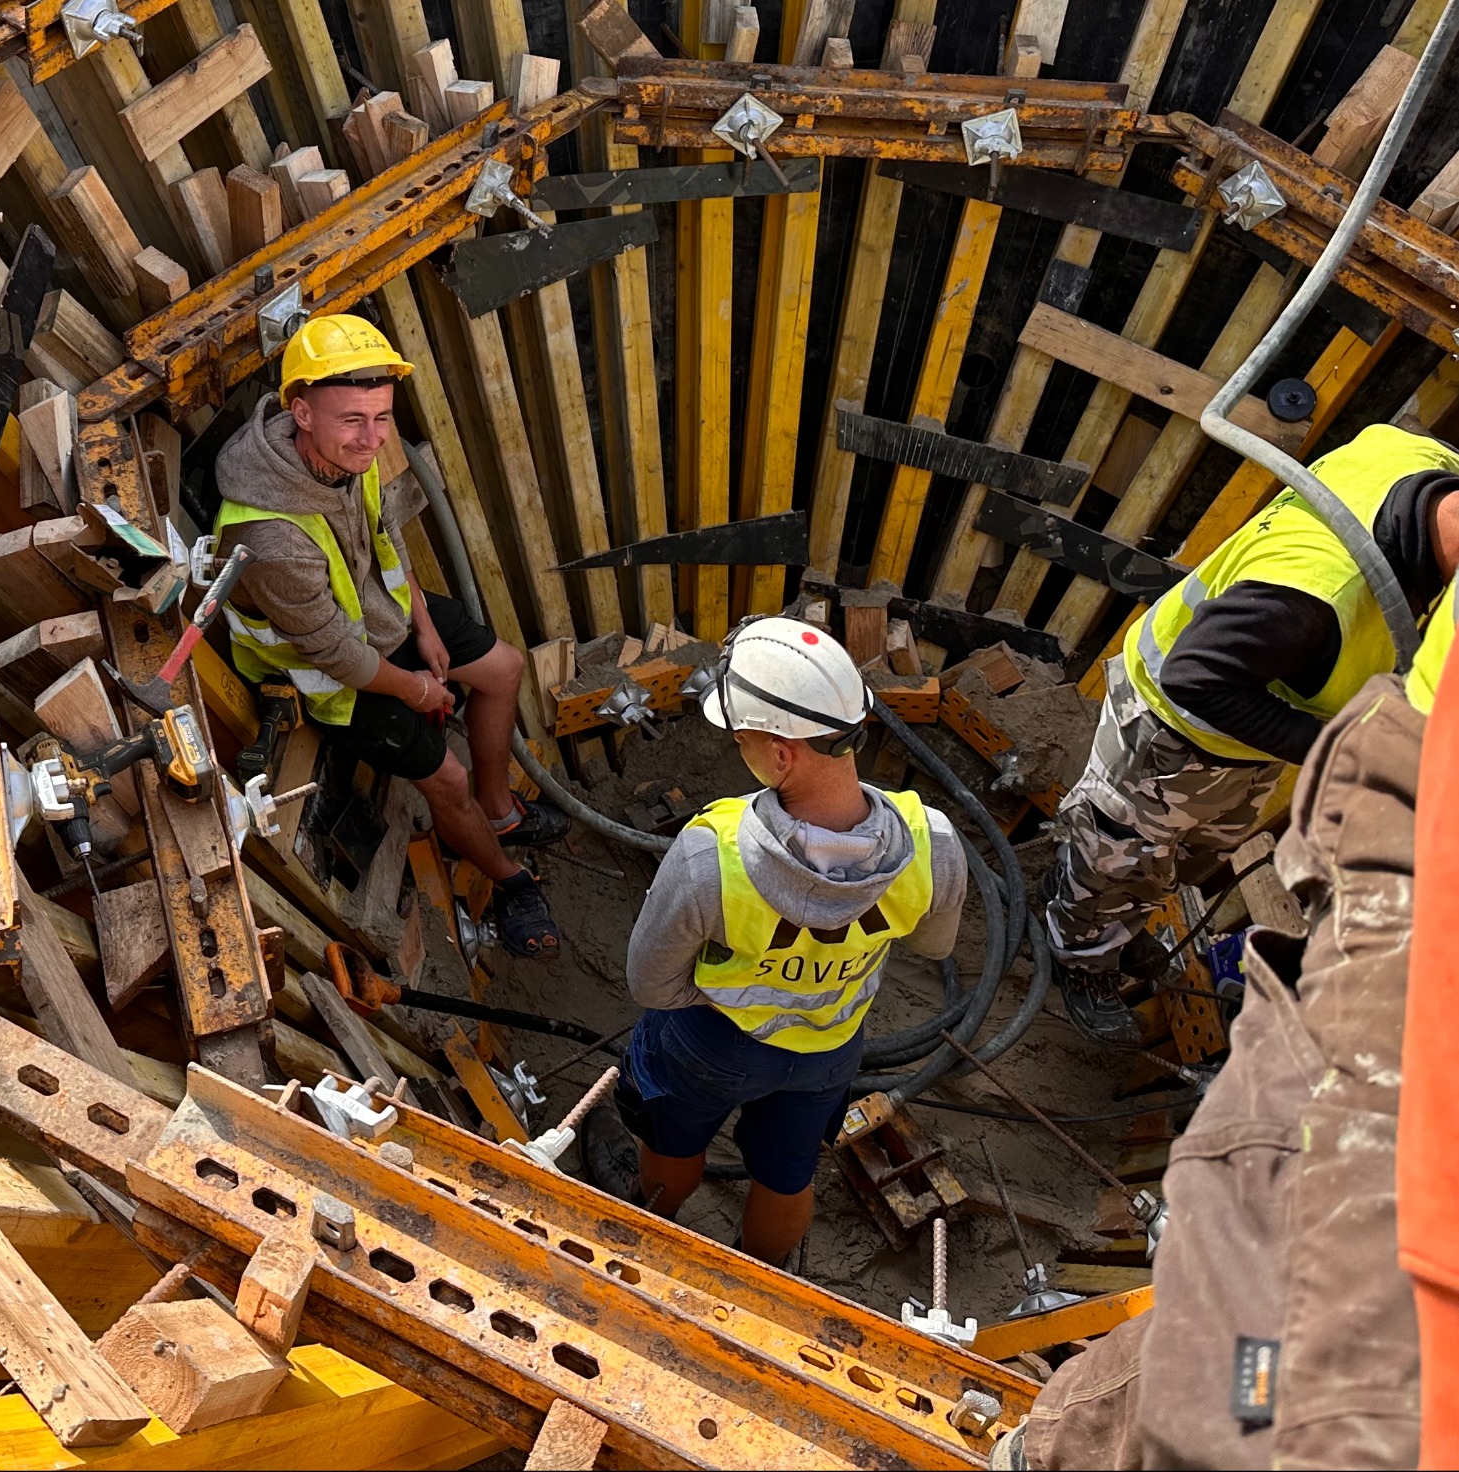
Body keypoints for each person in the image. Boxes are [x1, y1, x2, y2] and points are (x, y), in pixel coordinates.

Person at [994, 581, 1453, 1472]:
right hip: (1199, 748)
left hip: (1350, 835)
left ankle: (1041, 1453)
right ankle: (1080, 950)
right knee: (1256, 1327)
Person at [1045, 421, 1459, 1043]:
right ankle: (1079, 953)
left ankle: (1118, 923)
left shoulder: (1419, 456)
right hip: (1171, 733)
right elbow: (1194, 676)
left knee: (1182, 857)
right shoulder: (1315, 594)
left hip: (1247, 732)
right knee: (1119, 852)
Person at [606, 617, 966, 1266]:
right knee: (786, 1173)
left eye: (742, 739)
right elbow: (936, 948)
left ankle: (647, 1234)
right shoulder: (932, 841)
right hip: (828, 1045)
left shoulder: (710, 854)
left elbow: (650, 984)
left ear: (780, 755)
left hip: (713, 1043)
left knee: (674, 1141)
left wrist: (733, 992)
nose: (738, 749)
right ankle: (761, 1279)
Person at [211, 313, 563, 959]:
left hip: (385, 620)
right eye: (352, 419)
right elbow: (334, 654)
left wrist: (423, 626)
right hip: (335, 679)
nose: (371, 439)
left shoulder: (349, 457)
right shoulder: (269, 536)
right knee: (444, 781)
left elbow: (385, 542)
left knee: (503, 668)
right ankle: (511, 882)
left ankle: (498, 808)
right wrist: (417, 690)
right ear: (301, 413)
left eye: (381, 417)